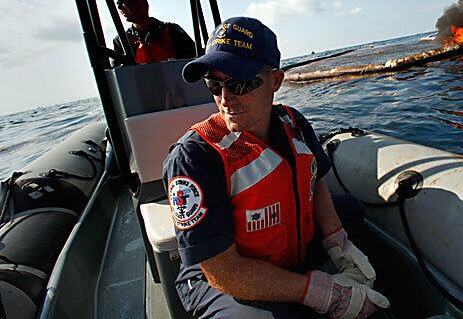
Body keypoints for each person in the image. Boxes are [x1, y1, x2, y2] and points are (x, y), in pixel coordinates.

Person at [162, 16, 390, 318]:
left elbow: (314, 181)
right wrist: (319, 292)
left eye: (241, 83)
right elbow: (223, 271)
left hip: (288, 245)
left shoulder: (292, 122)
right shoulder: (194, 158)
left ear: (276, 81)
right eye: (214, 84)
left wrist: (338, 243)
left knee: (351, 211)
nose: (226, 98)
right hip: (220, 275)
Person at [113, 0, 196, 63]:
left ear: (140, 4)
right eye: (118, 4)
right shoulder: (121, 41)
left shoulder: (172, 30)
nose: (119, 7)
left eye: (122, 2)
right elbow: (116, 72)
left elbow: (195, 60)